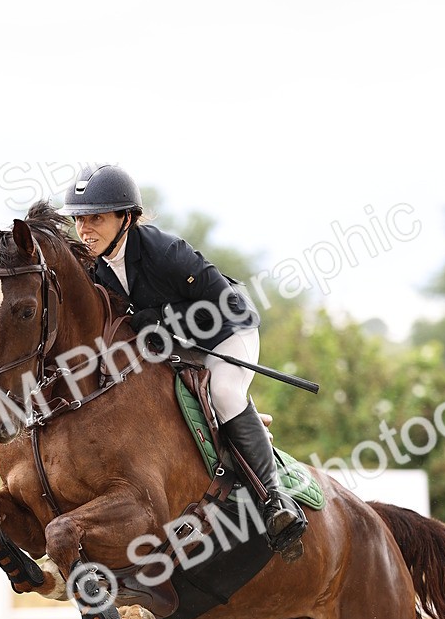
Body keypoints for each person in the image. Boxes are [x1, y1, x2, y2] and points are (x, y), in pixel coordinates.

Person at [61, 164, 307, 562]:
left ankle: (276, 500)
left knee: (224, 393)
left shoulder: (165, 253)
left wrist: (161, 318)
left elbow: (220, 304)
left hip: (230, 331)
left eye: (96, 218)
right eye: (79, 219)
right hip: (176, 345)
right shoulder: (95, 266)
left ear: (127, 218)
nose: (85, 229)